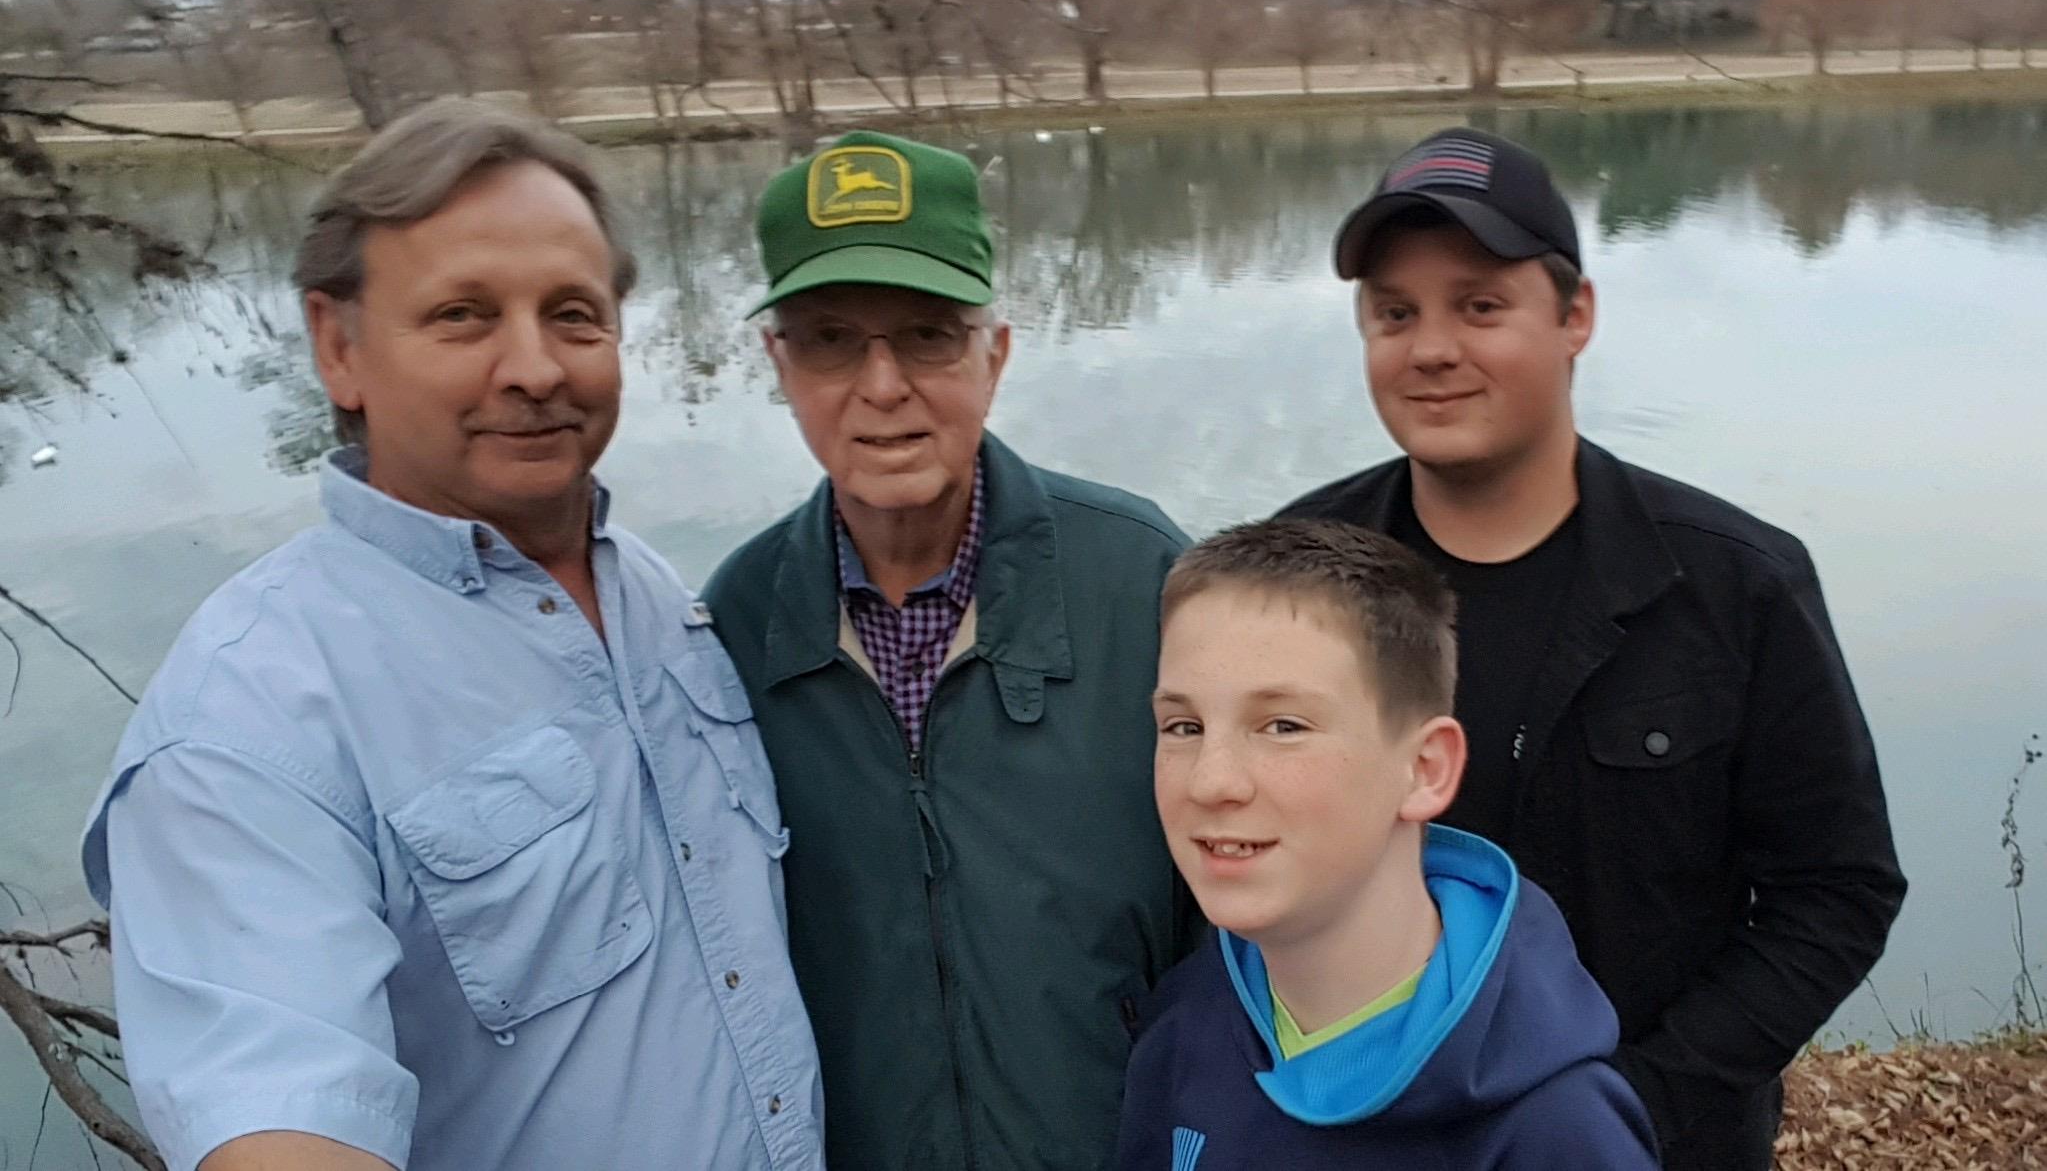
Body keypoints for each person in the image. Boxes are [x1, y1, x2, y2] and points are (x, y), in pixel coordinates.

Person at [80, 99, 823, 1171]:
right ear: (338, 347)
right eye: (464, 315)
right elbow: (284, 1128)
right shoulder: (248, 723)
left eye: (573, 313)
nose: (534, 367)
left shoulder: (658, 596)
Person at [1278, 125, 1906, 1170]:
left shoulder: (1736, 583)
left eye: (1479, 304)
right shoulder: (1292, 581)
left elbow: (1835, 891)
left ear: (1575, 316)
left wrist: (1633, 1104)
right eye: (1394, 312)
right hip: (1367, 1139)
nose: (1430, 346)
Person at [704, 129, 1203, 1171]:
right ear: (778, 364)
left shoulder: (1147, 581)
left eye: (929, 334)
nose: (882, 385)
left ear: (997, 351)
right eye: (831, 339)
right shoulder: (731, 628)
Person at [1118, 519, 1659, 1170]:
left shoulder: (1555, 1132)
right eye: (1182, 725)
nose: (1210, 780)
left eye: (1283, 725)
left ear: (1425, 769)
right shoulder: (1184, 1021)